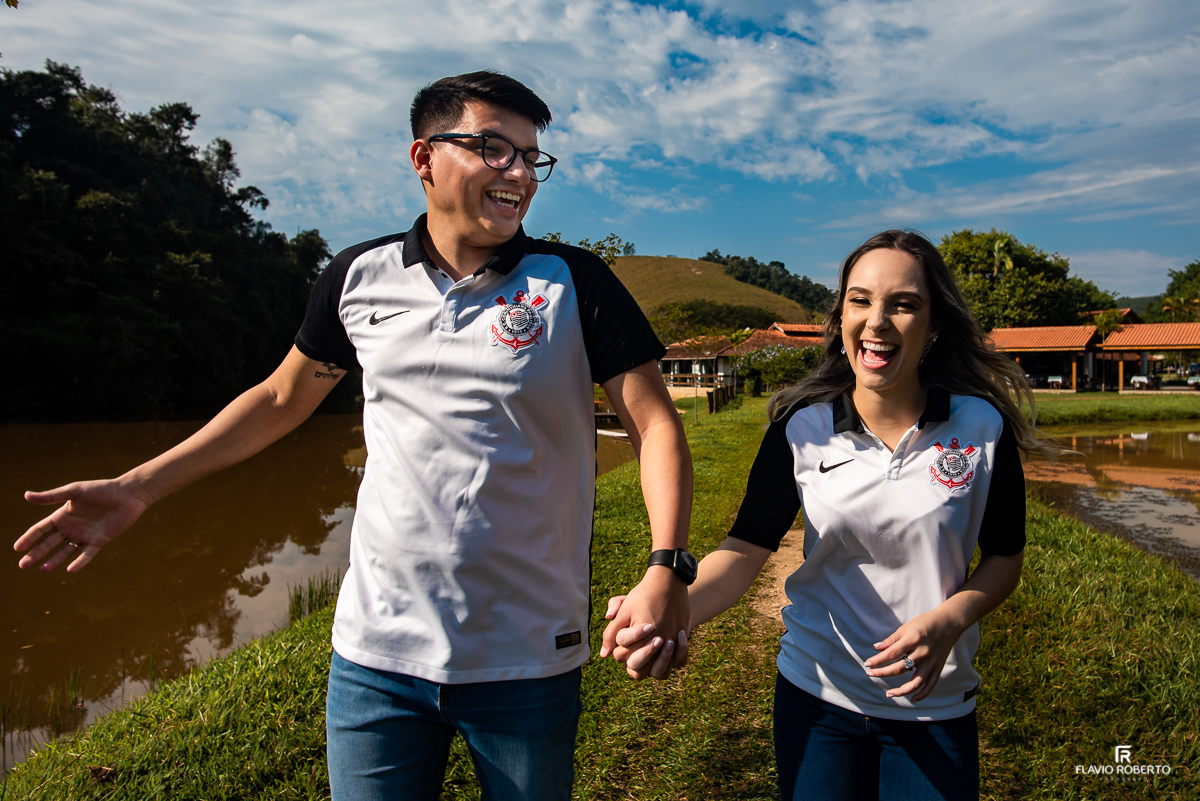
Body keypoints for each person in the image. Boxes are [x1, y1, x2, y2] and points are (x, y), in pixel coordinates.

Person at [14, 71, 694, 801]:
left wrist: (666, 564)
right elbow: (279, 399)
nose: (520, 174)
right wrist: (137, 486)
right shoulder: (357, 278)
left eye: (532, 157)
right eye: (495, 149)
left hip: (526, 657)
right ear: (423, 158)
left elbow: (652, 424)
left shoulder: (572, 282)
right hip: (375, 660)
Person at [607, 230, 1054, 800]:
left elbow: (1004, 558)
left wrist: (949, 620)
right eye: (860, 300)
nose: (878, 321)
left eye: (904, 304)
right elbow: (745, 551)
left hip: (934, 705)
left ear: (934, 324)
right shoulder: (801, 427)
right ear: (840, 315)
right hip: (816, 698)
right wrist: (673, 613)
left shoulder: (981, 428)